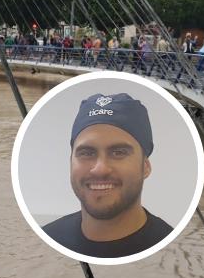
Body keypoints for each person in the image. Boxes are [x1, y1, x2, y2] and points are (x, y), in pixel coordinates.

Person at [43, 93, 173, 258]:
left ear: (145, 167)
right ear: (70, 162)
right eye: (87, 153)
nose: (100, 169)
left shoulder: (171, 249)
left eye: (118, 152)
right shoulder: (47, 237)